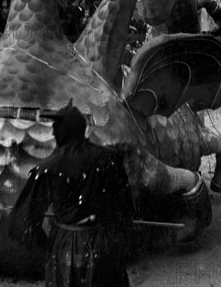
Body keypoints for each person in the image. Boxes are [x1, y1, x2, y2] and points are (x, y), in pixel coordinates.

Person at [8, 102, 135, 286]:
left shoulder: (48, 168)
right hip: (103, 244)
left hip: (65, 246)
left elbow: (24, 220)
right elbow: (124, 208)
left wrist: (46, 243)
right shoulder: (110, 159)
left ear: (65, 130)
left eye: (56, 128)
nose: (53, 133)